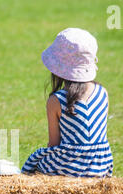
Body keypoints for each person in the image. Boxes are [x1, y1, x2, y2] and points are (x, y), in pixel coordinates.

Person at [21, 28, 113, 177]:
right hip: (100, 166)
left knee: (34, 164)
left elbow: (54, 144)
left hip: (69, 166)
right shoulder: (103, 92)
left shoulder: (56, 100)